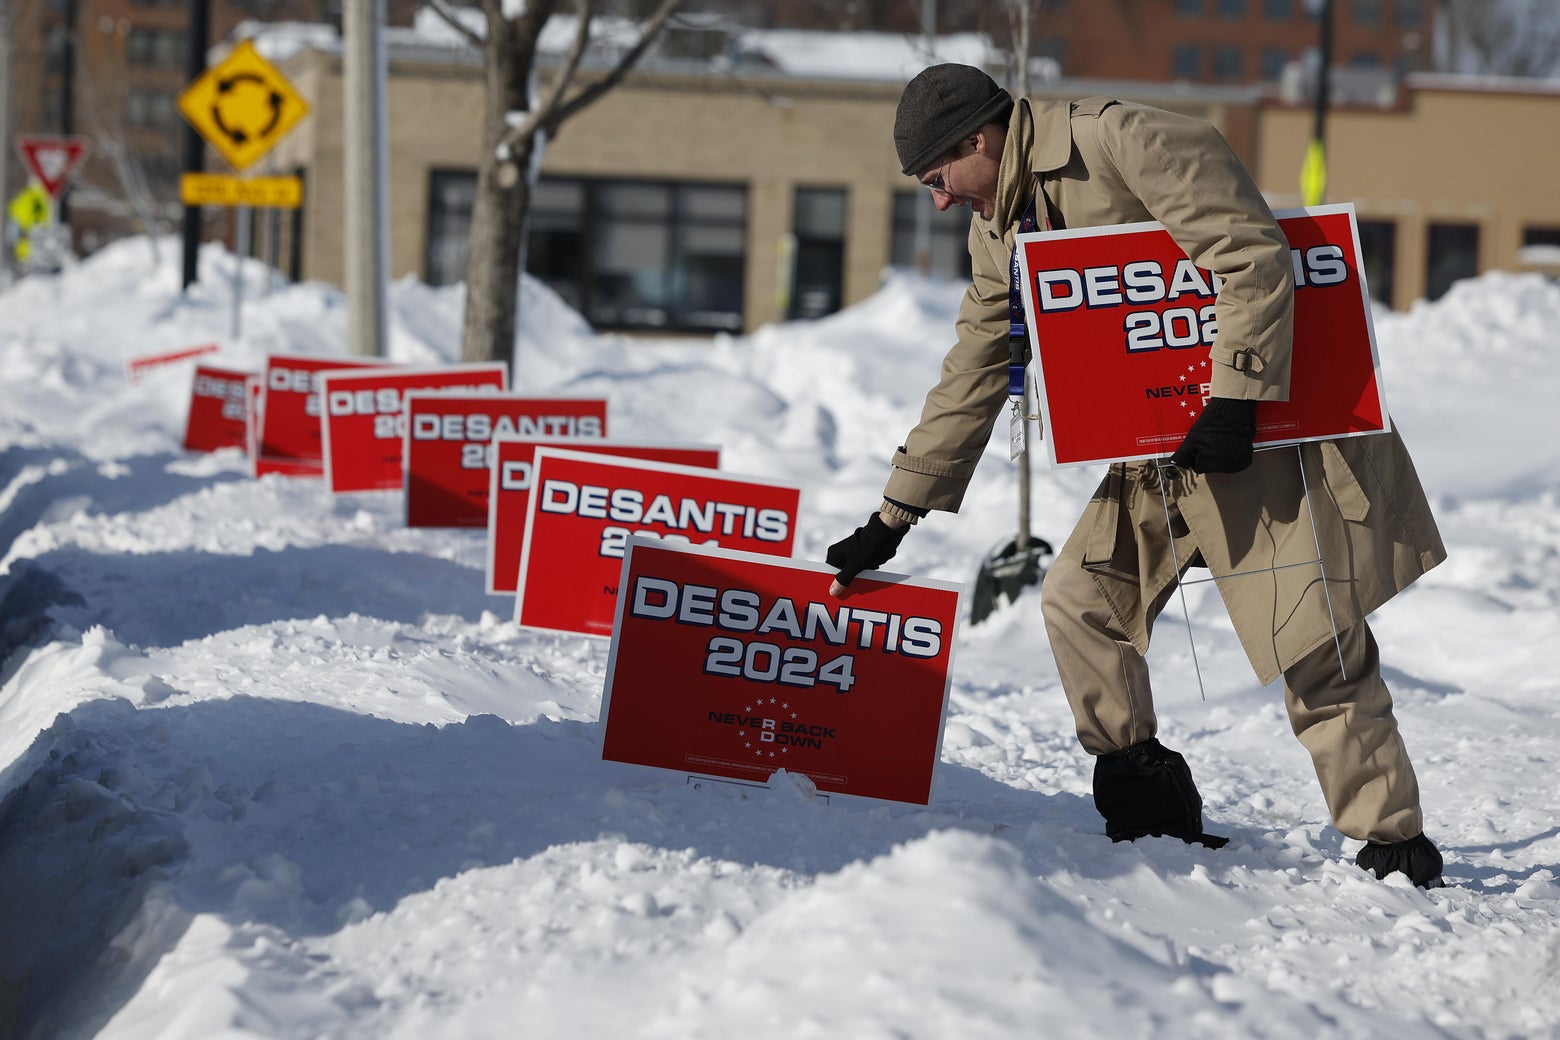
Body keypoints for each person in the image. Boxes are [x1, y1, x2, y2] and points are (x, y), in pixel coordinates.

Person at [825, 63, 1448, 888]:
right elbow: (977, 363)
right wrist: (894, 516)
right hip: (1157, 455)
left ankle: (1394, 844)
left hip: (1257, 437)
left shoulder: (1121, 140)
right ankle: (1149, 806)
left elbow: (1249, 250)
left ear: (977, 140)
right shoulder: (998, 224)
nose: (940, 199)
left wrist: (1235, 397)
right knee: (1081, 602)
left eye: (939, 178)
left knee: (1315, 643)